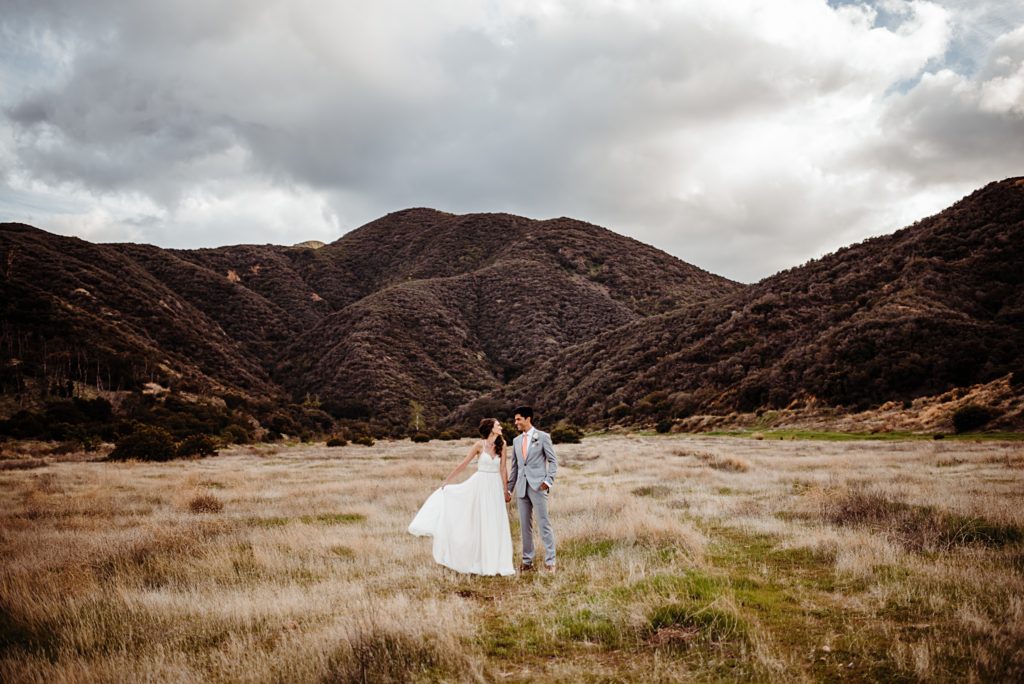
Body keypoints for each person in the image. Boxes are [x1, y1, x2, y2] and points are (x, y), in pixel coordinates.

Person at [408, 418, 515, 576]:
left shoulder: (503, 444)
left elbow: (503, 469)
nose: (501, 426)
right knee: (479, 521)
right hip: (480, 485)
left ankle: (497, 562)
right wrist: (447, 480)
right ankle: (479, 560)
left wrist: (506, 490)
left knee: (495, 521)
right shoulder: (479, 445)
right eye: (498, 424)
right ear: (491, 428)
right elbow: (464, 464)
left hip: (494, 488)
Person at [508, 405, 558, 572]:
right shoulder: (515, 441)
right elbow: (515, 468)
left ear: (528, 418)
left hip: (538, 486)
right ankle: (527, 561)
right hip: (521, 488)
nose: (516, 423)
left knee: (544, 523)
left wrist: (548, 481)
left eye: (518, 419)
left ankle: (550, 561)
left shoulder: (543, 437)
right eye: (515, 420)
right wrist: (509, 489)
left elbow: (553, 461)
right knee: (524, 526)